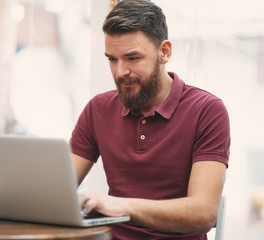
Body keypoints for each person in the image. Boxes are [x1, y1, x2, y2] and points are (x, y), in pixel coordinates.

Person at [69, 0, 230, 239]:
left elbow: (203, 213)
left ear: (164, 52)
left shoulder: (207, 111)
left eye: (132, 58)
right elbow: (58, 190)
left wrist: (121, 206)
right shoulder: (97, 109)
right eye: (112, 59)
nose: (120, 71)